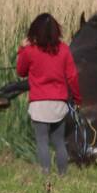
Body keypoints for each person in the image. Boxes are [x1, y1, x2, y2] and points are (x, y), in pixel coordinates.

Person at [16, 13, 82, 176]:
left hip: (39, 103)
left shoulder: (30, 50)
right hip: (59, 103)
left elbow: (21, 71)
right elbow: (72, 76)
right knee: (59, 141)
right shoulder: (64, 50)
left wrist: (21, 49)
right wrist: (78, 98)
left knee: (42, 142)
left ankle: (45, 173)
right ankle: (63, 174)